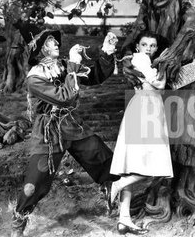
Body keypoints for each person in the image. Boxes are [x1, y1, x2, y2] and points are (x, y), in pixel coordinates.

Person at [11, 29, 120, 237]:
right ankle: (19, 219)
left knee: (103, 158)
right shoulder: (34, 79)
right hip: (48, 132)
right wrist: (72, 65)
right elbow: (66, 98)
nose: (56, 44)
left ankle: (116, 199)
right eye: (51, 42)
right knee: (35, 182)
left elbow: (95, 76)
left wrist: (106, 51)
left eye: (55, 41)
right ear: (41, 50)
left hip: (72, 124)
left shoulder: (61, 65)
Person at [109, 31, 173, 235]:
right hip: (145, 109)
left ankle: (124, 219)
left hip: (145, 107)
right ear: (138, 46)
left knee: (133, 164)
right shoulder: (140, 59)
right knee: (155, 163)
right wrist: (160, 73)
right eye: (145, 44)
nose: (149, 48)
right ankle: (118, 184)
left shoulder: (143, 62)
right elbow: (161, 85)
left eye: (153, 45)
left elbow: (154, 84)